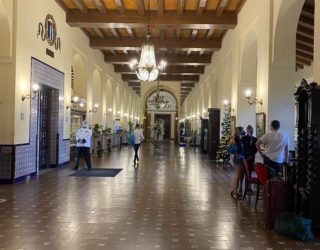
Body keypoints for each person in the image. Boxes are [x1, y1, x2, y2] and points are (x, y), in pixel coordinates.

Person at [230, 126, 245, 199]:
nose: (243, 131)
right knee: (238, 175)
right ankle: (235, 193)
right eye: (242, 130)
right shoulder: (237, 138)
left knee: (237, 175)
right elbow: (238, 149)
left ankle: (234, 191)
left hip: (238, 157)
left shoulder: (236, 138)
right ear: (240, 131)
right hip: (238, 158)